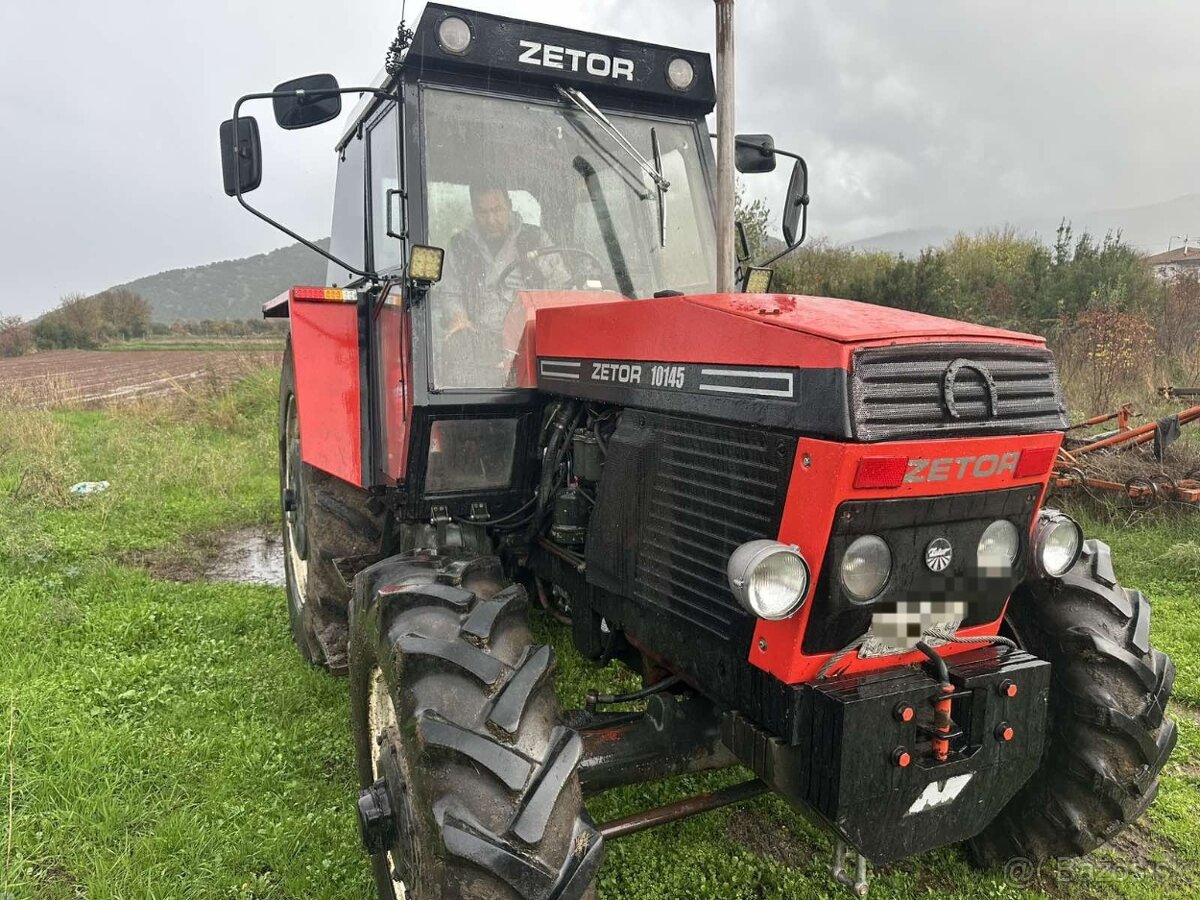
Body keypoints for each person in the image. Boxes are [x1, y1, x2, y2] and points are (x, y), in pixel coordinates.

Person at [440, 185, 571, 337]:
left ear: (509, 205)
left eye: (497, 210)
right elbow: (450, 295)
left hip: (531, 336)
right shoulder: (460, 247)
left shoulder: (536, 240)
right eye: (483, 212)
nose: (491, 220)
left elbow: (561, 287)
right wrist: (458, 318)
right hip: (478, 341)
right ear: (474, 211)